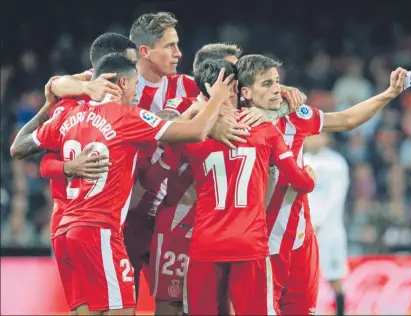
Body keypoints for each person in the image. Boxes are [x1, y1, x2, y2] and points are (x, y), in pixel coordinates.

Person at [10, 53, 235, 315]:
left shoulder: (67, 115)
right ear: (123, 84)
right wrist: (218, 96)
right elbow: (196, 131)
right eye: (136, 84)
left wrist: (48, 106)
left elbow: (18, 147)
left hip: (64, 234)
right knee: (123, 310)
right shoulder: (126, 117)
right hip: (100, 232)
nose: (137, 93)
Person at [236, 54, 409, 315]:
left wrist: (388, 94)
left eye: (277, 82)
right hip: (259, 242)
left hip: (300, 239)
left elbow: (347, 119)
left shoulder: (296, 116)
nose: (276, 89)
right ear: (245, 91)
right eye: (267, 83)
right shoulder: (231, 124)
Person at [162, 58, 316, 315]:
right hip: (250, 244)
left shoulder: (190, 134)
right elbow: (301, 182)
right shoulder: (264, 129)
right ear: (235, 88)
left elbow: (159, 172)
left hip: (204, 244)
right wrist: (310, 176)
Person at [40, 33, 141, 246]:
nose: (135, 70)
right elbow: (23, 149)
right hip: (80, 221)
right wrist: (68, 166)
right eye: (131, 63)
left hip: (117, 219)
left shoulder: (132, 94)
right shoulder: (74, 100)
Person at [304, 133, 350, 316]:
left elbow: (335, 196)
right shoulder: (301, 160)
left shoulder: (336, 163)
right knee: (303, 277)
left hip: (330, 230)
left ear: (326, 138)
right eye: (309, 136)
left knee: (334, 277)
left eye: (317, 136)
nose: (313, 140)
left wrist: (318, 221)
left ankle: (340, 312)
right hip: (305, 230)